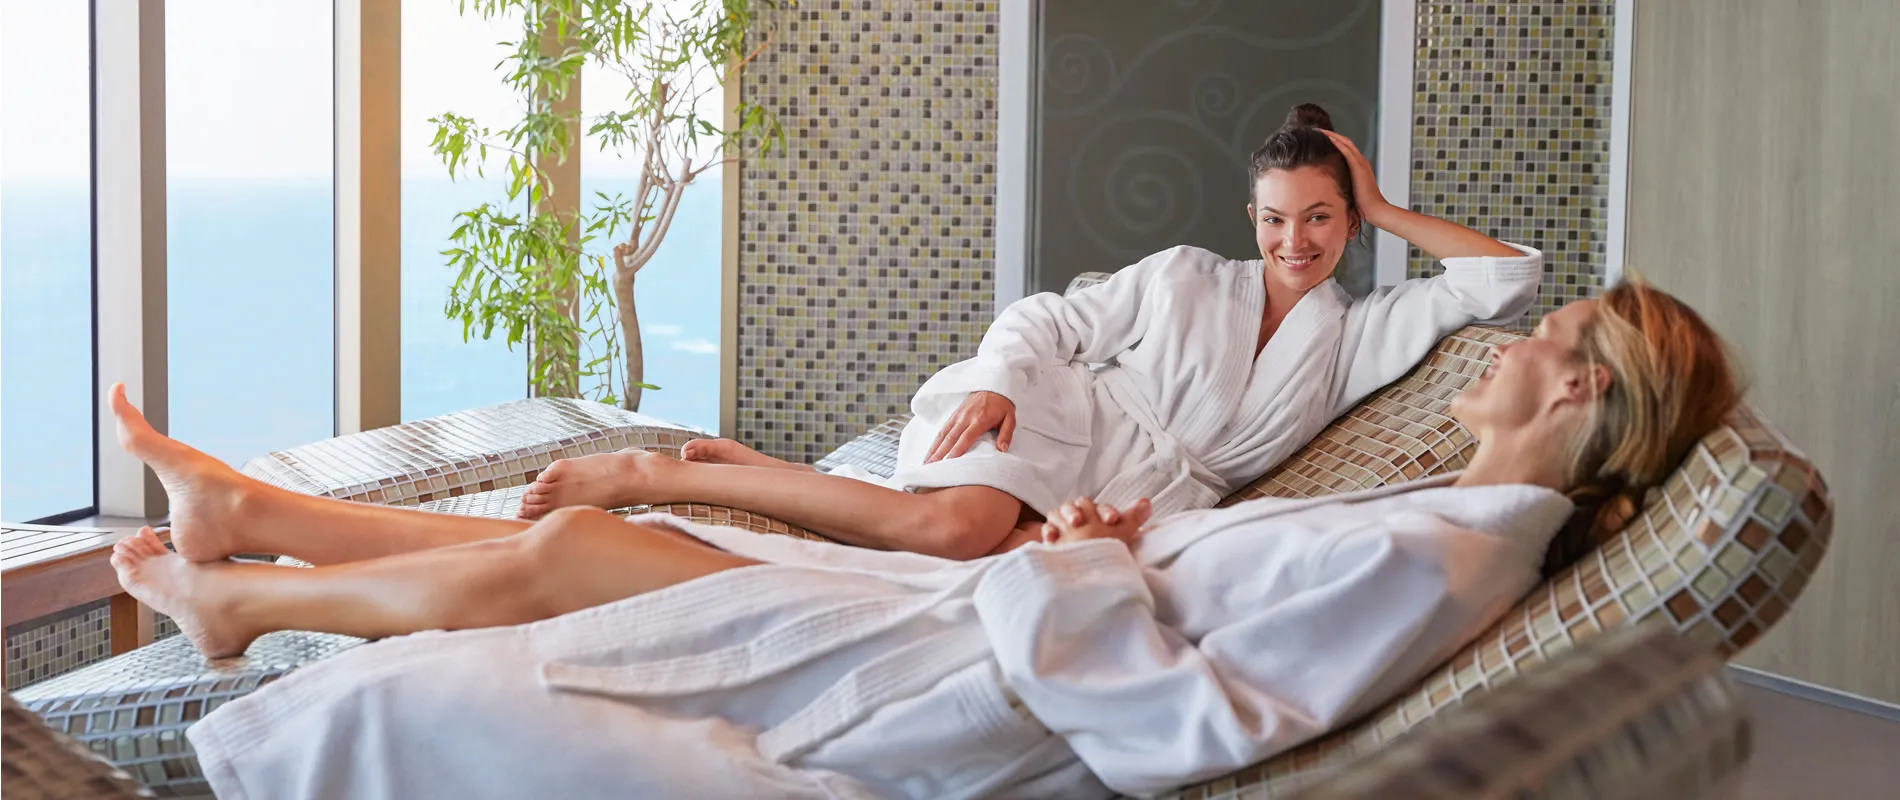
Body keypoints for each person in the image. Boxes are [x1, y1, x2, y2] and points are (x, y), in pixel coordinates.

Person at [108, 279, 1741, 799]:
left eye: (1546, 338)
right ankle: (253, 542)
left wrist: (1098, 556)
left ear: (1581, 387)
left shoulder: (1441, 549)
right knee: (584, 558)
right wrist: (1111, 528)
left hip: (991, 658)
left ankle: (250, 556)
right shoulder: (1448, 522)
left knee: (569, 563)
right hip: (1016, 547)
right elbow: (1045, 337)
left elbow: (1190, 724)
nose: (1502, 347)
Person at [508, 104, 1545, 560]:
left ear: (1347, 222)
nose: (1295, 240)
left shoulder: (1363, 330)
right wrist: (998, 378)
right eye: (1275, 218)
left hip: (1142, 487)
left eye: (1321, 217)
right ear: (1250, 220)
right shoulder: (1188, 274)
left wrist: (1382, 196)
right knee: (954, 534)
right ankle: (658, 475)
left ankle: (752, 468)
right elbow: (1050, 317)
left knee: (979, 552)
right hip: (1058, 410)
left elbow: (1507, 276)